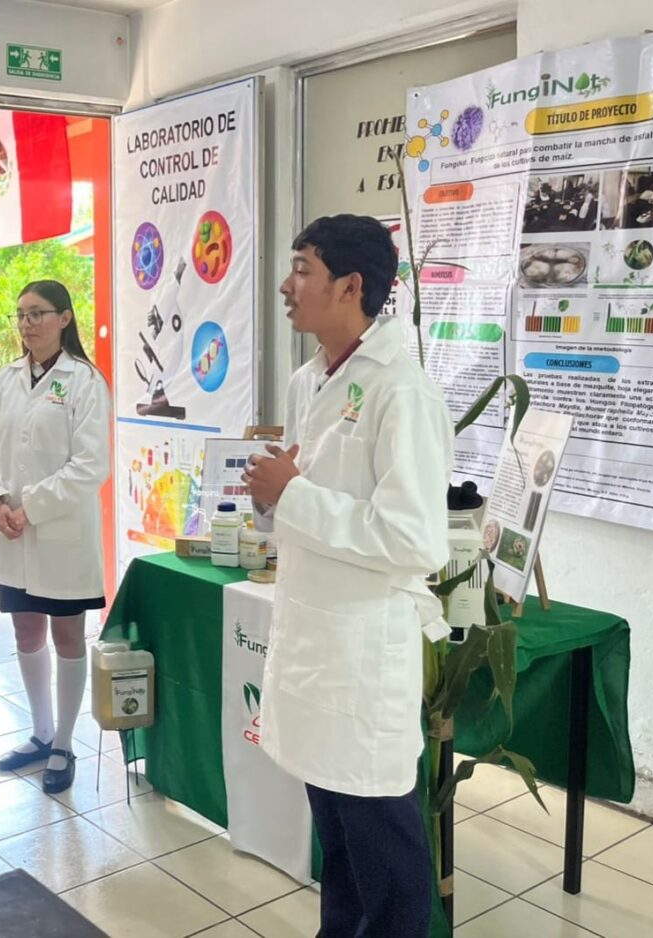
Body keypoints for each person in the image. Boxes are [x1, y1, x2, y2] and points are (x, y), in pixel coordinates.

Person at [244, 215, 454, 937]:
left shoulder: (403, 391)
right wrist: (275, 497)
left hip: (363, 660)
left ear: (351, 286)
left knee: (387, 866)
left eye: (302, 269)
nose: (286, 285)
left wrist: (292, 494)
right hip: (314, 646)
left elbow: (414, 539)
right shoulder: (310, 380)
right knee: (337, 852)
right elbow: (303, 500)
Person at [0, 280, 110, 794]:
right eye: (21, 315)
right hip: (12, 529)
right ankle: (40, 733)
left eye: (38, 313)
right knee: (25, 631)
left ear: (65, 318)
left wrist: (30, 508)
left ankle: (64, 744)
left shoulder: (85, 381)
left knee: (67, 636)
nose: (27, 324)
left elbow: (91, 465)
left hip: (60, 532)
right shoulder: (7, 378)